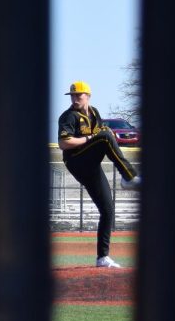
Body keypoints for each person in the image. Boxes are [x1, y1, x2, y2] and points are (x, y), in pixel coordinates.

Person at [57, 81, 140, 268]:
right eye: (72, 95)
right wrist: (89, 138)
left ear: (88, 96)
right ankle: (129, 177)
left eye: (79, 95)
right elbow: (64, 143)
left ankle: (102, 257)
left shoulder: (94, 112)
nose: (75, 98)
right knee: (104, 136)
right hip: (76, 161)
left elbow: (102, 133)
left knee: (108, 210)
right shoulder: (68, 116)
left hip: (91, 165)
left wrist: (97, 137)